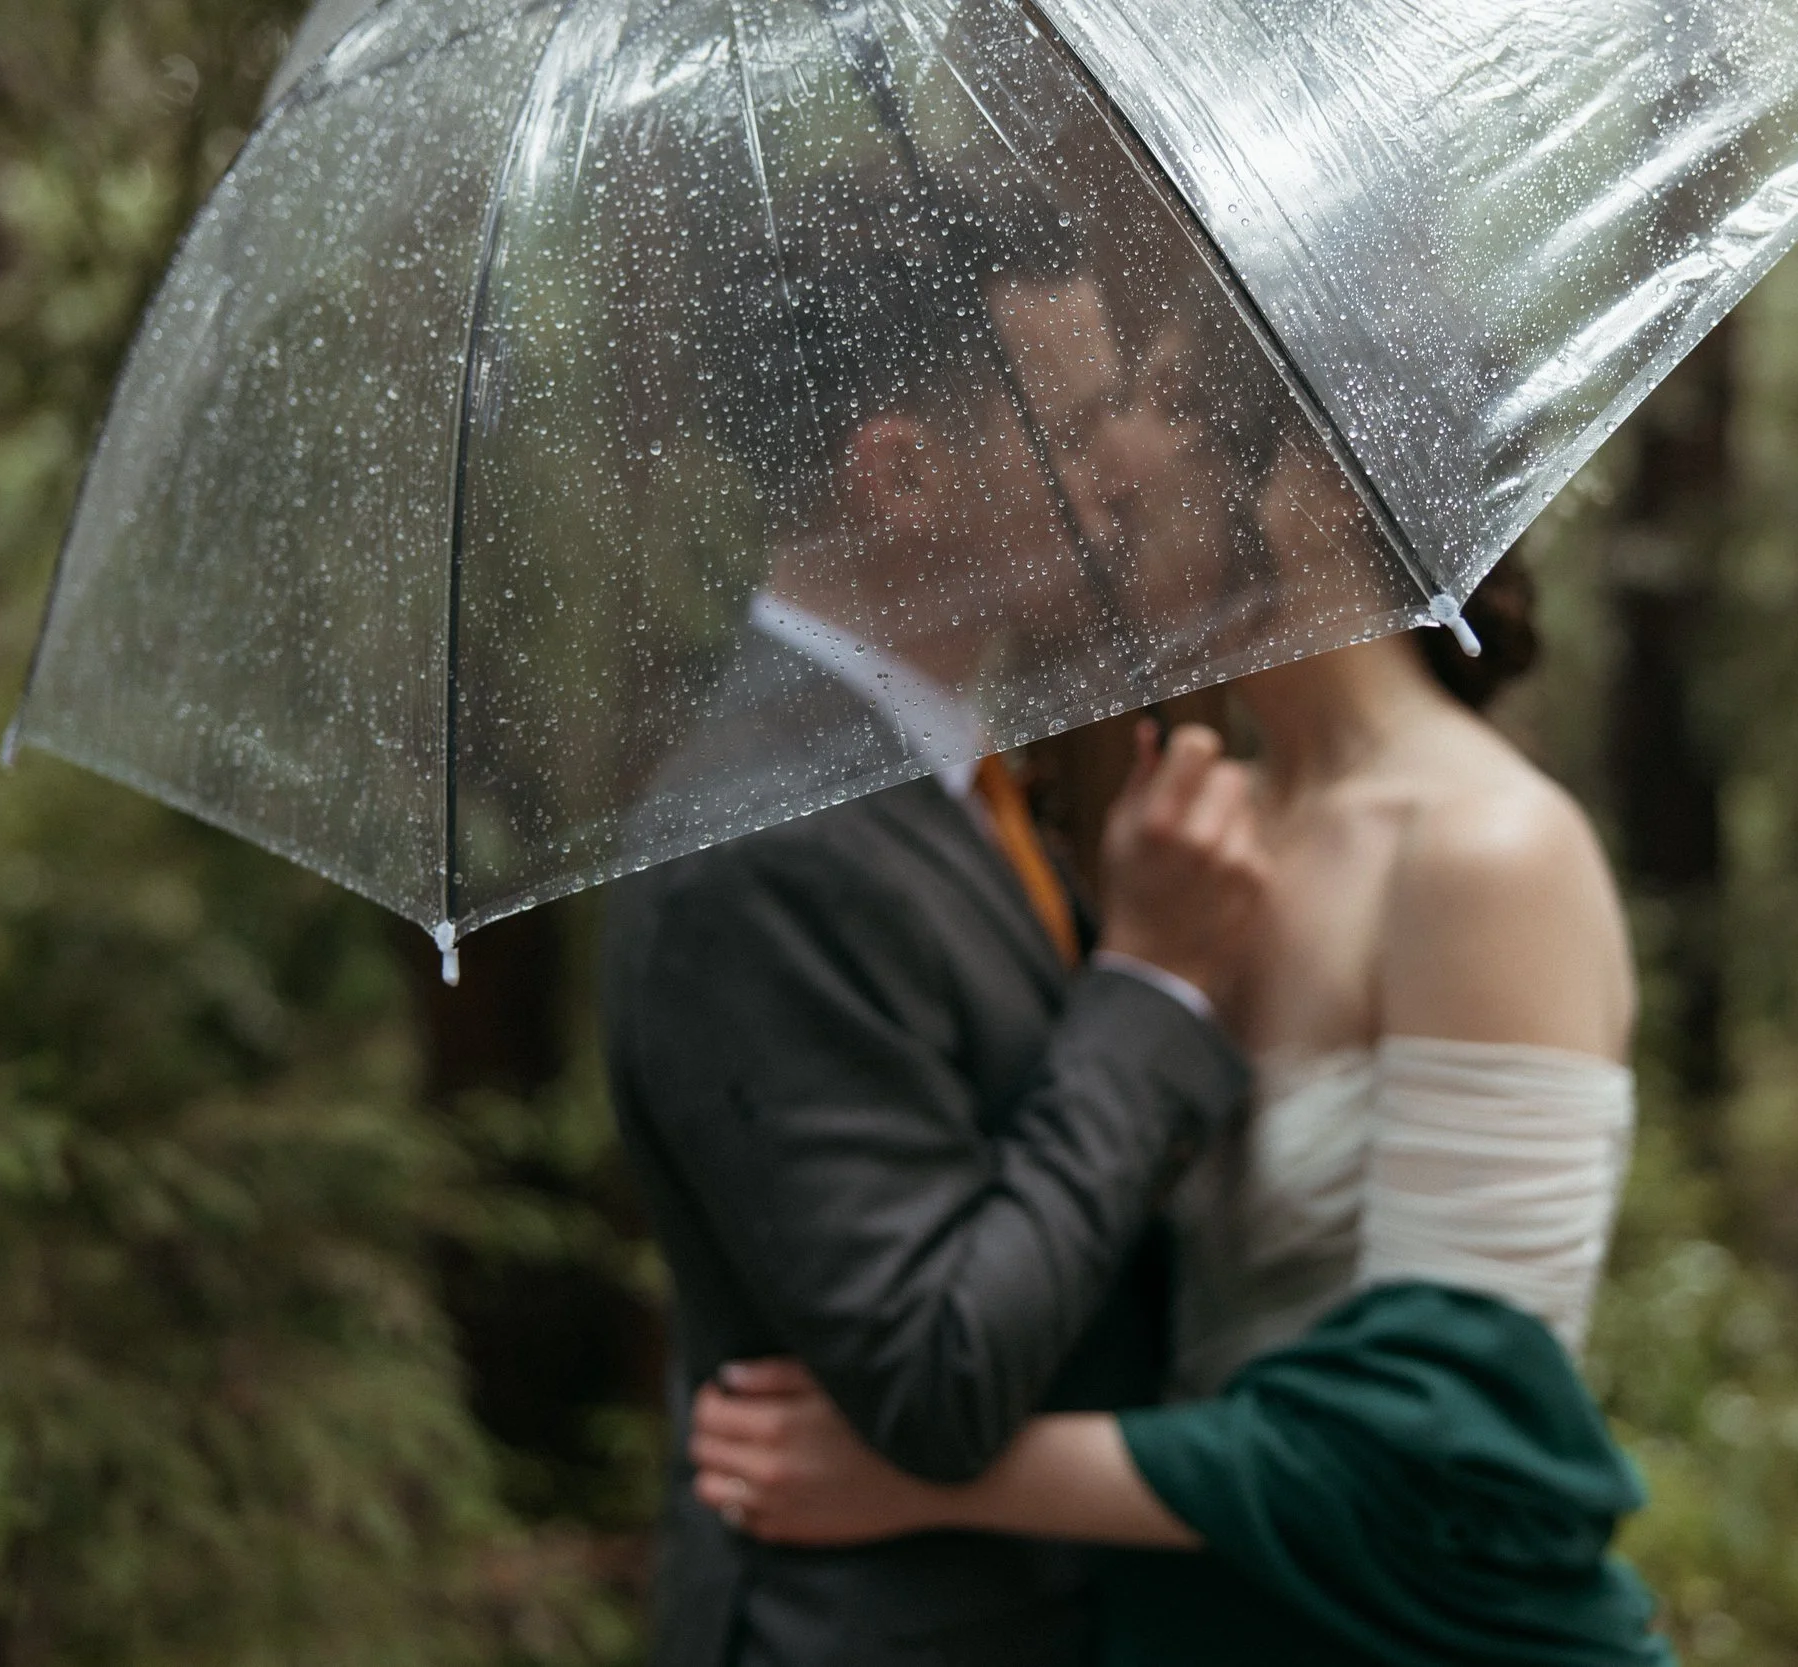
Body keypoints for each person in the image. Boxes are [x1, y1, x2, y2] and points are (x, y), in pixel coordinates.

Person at [683, 435, 1676, 1666]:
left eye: (1155, 398)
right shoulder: (1202, 844)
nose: (1104, 462)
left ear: (1312, 482)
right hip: (1189, 1623)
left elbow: (1445, 1447)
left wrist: (937, 1476)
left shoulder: (1488, 850)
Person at [598, 181, 1273, 1667]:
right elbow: (938, 1366)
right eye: (1085, 422)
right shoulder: (757, 848)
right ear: (899, 479)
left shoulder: (914, 769)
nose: (1129, 469)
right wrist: (1152, 980)